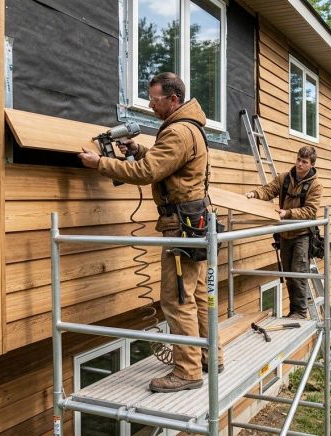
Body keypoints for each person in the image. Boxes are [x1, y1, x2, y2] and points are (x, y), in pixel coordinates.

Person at [78, 72, 221, 393]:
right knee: (197, 295)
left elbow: (147, 172)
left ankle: (187, 371)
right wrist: (140, 149)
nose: (150, 105)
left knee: (177, 299)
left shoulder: (178, 131)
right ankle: (210, 356)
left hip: (181, 226)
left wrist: (100, 163)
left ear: (173, 99)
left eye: (154, 100)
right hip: (195, 221)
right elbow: (167, 165)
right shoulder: (189, 127)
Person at [245, 146, 322, 319]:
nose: (300, 164)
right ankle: (293, 311)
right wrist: (255, 194)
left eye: (304, 162)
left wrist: (288, 213)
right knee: (288, 273)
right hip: (284, 234)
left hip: (301, 234)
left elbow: (310, 211)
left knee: (298, 273)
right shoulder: (284, 178)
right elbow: (268, 190)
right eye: (298, 160)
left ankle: (300, 312)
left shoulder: (315, 185)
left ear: (312, 164)